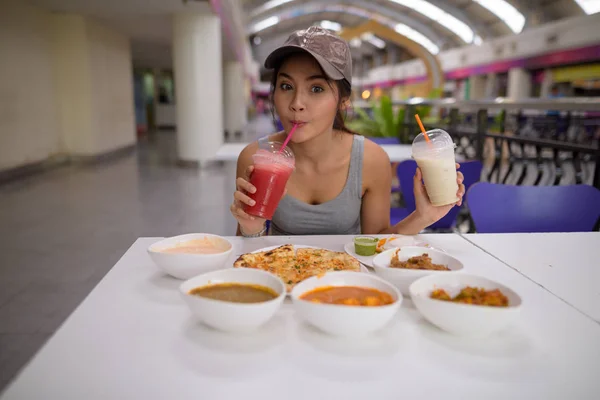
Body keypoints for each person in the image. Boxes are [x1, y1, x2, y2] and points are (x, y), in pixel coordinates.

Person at [230, 26, 465, 237]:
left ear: (343, 100)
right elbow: (249, 256)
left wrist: (424, 216)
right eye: (286, 86)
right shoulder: (256, 158)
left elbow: (377, 242)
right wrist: (252, 228)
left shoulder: (370, 160)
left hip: (347, 278)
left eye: (316, 88)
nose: (297, 103)